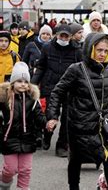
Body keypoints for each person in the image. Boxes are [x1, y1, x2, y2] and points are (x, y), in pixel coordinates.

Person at [46, 33, 108, 190]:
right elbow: (57, 92)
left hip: (104, 122)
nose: (102, 54)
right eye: (99, 50)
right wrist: (53, 117)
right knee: (76, 159)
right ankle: (73, 186)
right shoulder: (76, 69)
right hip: (80, 124)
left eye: (105, 50)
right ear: (90, 49)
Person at [31, 24, 82, 157]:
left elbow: (81, 70)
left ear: (70, 37)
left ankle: (62, 145)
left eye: (66, 36)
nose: (64, 38)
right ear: (56, 35)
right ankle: (47, 135)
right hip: (51, 87)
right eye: (61, 35)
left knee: (66, 118)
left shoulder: (77, 50)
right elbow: (41, 66)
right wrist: (33, 84)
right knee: (50, 114)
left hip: (69, 89)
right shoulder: (47, 48)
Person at [0, 62, 47, 190]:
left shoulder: (32, 100)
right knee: (10, 169)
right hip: (9, 139)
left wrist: (47, 123)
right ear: (13, 82)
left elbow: (39, 116)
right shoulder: (4, 99)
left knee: (25, 169)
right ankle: (4, 184)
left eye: (26, 81)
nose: (23, 84)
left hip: (28, 139)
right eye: (19, 81)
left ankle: (23, 188)